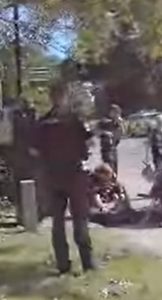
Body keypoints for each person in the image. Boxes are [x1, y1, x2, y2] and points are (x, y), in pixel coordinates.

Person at [30, 82, 95, 275]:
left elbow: (33, 151)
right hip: (74, 175)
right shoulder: (75, 120)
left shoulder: (43, 122)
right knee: (80, 220)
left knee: (58, 223)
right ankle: (87, 263)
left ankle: (63, 265)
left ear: (51, 98)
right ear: (66, 97)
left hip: (53, 176)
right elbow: (90, 143)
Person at [98, 104, 125, 172]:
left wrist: (120, 125)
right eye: (116, 112)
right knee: (109, 168)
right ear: (111, 112)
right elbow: (96, 130)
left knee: (115, 168)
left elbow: (121, 134)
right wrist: (104, 132)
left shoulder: (116, 123)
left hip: (113, 148)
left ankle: (113, 180)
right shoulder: (104, 121)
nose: (117, 114)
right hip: (106, 149)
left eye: (118, 113)